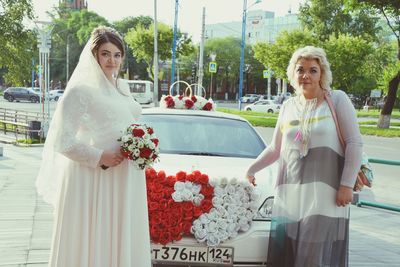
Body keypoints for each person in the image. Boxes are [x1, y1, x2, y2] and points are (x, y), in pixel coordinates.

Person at [36, 26, 152, 266]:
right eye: (105, 54)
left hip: (125, 178)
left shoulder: (124, 88)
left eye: (117, 54)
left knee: (121, 236)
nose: (112, 60)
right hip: (95, 178)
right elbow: (62, 141)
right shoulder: (80, 92)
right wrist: (100, 156)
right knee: (94, 237)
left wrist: (142, 147)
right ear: (94, 55)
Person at [246, 46, 362, 267]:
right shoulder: (288, 106)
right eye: (300, 70)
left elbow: (355, 143)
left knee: (312, 256)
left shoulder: (337, 100)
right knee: (288, 255)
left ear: (322, 74)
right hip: (290, 194)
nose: (306, 75)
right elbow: (275, 148)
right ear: (293, 73)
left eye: (313, 70)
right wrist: (252, 169)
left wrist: (346, 184)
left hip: (324, 196)